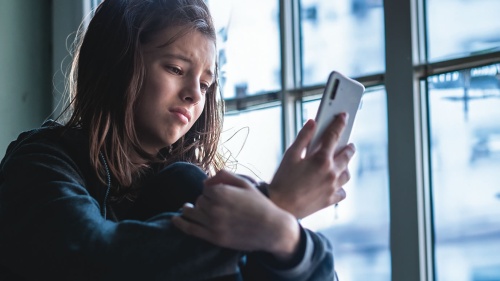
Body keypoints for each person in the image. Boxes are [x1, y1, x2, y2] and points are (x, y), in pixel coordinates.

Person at [0, 0, 356, 280]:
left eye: (204, 84)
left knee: (194, 187)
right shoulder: (40, 164)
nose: (193, 95)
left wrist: (282, 232)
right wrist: (277, 204)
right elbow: (92, 260)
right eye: (176, 69)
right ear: (118, 63)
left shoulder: (198, 187)